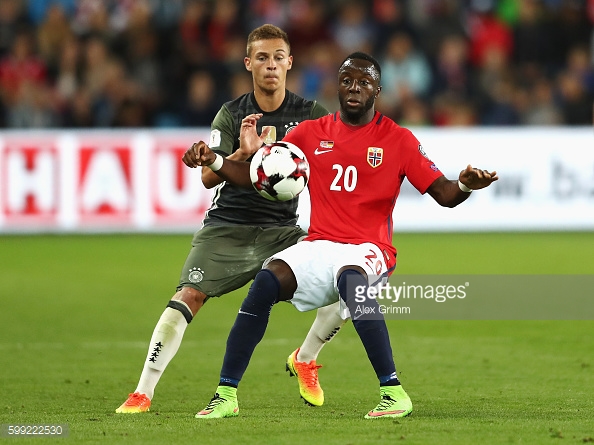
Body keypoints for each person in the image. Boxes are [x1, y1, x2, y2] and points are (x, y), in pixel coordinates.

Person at [188, 51, 498, 419]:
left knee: (352, 281)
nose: (354, 88)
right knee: (266, 282)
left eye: (364, 83)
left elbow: (445, 196)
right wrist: (217, 161)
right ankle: (226, 394)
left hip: (370, 249)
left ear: (377, 90)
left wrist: (465, 184)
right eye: (347, 80)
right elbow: (256, 175)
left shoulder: (398, 140)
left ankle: (393, 392)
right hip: (320, 244)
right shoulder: (309, 133)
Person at [115, 24, 340, 414]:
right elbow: (207, 176)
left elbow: (335, 161)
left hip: (282, 233)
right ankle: (143, 392)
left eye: (278, 58)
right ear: (248, 63)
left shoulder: (310, 114)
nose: (271, 66)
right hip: (226, 228)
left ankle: (304, 357)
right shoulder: (232, 113)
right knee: (187, 296)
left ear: (290, 62)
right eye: (263, 58)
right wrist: (241, 152)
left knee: (346, 284)